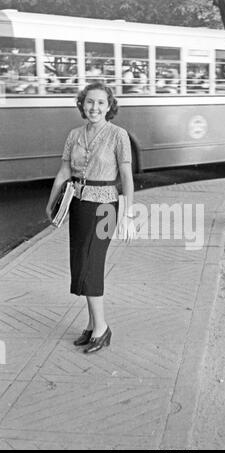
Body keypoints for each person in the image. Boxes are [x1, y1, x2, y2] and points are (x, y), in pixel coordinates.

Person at [46, 81, 135, 354]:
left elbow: (127, 177)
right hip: (78, 205)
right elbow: (63, 173)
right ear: (82, 105)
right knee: (81, 265)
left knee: (91, 265)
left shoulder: (119, 135)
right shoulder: (74, 135)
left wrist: (129, 213)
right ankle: (92, 324)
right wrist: (51, 204)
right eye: (89, 102)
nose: (94, 107)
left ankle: (102, 328)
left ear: (109, 107)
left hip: (105, 206)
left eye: (100, 103)